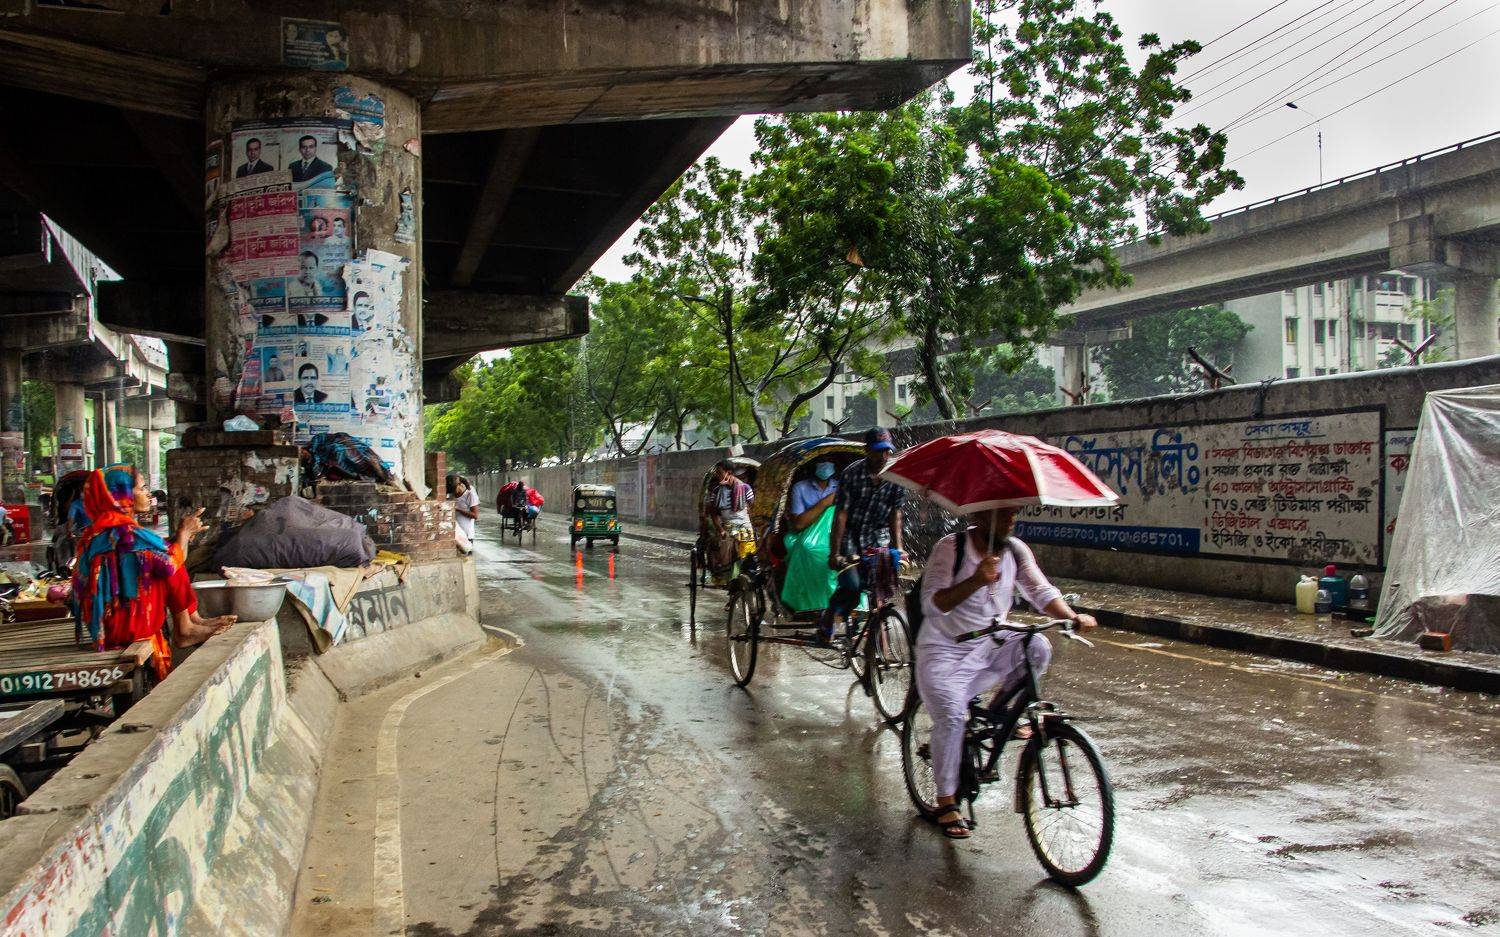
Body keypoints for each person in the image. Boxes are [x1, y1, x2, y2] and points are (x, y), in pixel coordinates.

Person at [917, 506, 1097, 840]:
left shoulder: (1015, 549)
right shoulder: (951, 548)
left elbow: (1040, 591)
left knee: (1038, 646)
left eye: (1014, 512)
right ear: (981, 516)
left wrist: (1070, 617)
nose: (1012, 519)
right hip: (945, 650)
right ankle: (945, 800)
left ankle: (1001, 714)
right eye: (1003, 513)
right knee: (952, 717)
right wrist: (975, 580)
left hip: (992, 642)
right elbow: (931, 604)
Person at [71, 465, 236, 680]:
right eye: (142, 488)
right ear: (122, 496)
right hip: (127, 626)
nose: (149, 494)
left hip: (106, 628)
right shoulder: (126, 533)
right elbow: (171, 564)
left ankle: (193, 621)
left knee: (166, 554)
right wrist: (184, 533)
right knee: (168, 562)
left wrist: (181, 537)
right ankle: (185, 628)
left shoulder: (98, 532)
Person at [822, 427, 905, 641]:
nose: (883, 456)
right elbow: (841, 514)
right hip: (850, 536)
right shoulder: (852, 474)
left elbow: (896, 513)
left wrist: (899, 548)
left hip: (878, 537)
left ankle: (872, 645)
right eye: (878, 451)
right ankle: (830, 617)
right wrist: (835, 553)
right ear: (867, 450)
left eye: (886, 451)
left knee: (881, 589)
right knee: (852, 587)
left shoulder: (896, 475)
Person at [780, 460, 840, 612]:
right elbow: (799, 524)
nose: (825, 465)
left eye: (829, 460)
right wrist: (825, 503)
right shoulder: (800, 488)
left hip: (834, 533)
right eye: (822, 461)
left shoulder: (840, 486)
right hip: (805, 535)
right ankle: (812, 603)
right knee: (807, 549)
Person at [705, 460, 754, 573]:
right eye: (716, 473)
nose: (717, 475)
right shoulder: (716, 491)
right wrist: (720, 530)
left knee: (748, 562)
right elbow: (713, 514)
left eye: (719, 473)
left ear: (729, 473)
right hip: (727, 530)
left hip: (746, 529)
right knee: (725, 562)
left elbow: (753, 510)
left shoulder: (746, 488)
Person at [453, 477, 479, 554]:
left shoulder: (470, 494)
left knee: (465, 557)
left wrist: (457, 509)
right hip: (455, 534)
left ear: (459, 485)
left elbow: (475, 515)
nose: (453, 492)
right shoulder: (451, 494)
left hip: (466, 535)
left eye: (454, 489)